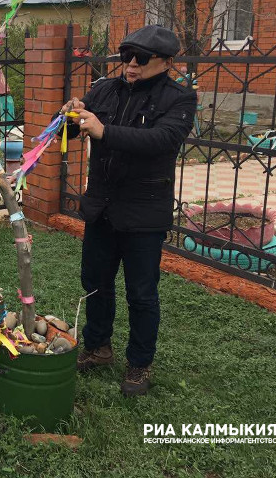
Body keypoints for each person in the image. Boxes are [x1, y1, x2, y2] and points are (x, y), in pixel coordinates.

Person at [63, 24, 197, 397]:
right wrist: (70, 117)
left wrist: (104, 131)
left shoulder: (179, 99)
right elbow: (72, 132)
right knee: (95, 284)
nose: (132, 64)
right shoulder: (105, 89)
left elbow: (163, 140)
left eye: (141, 58)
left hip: (143, 213)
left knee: (141, 293)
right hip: (101, 208)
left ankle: (139, 363)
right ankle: (97, 347)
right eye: (127, 56)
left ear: (166, 62)